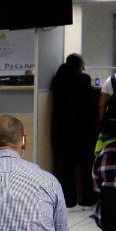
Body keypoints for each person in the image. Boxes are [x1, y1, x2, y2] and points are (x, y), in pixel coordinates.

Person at [50, 54, 99, 208]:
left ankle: (69, 199)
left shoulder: (57, 80)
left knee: (67, 167)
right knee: (86, 166)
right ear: (79, 65)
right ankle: (87, 197)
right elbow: (91, 106)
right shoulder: (83, 80)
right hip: (83, 131)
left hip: (63, 132)